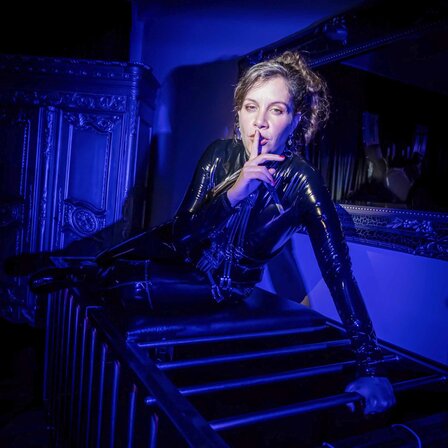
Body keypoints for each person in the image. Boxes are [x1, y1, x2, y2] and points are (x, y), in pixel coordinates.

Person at [32, 51, 396, 415]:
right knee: (117, 260)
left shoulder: (303, 181)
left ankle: (81, 274)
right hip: (180, 257)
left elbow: (338, 271)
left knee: (128, 283)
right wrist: (234, 193)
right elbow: (181, 235)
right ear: (238, 113)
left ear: (295, 119)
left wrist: (372, 368)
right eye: (251, 107)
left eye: (276, 110)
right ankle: (81, 270)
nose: (260, 123)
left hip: (223, 286)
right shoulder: (219, 154)